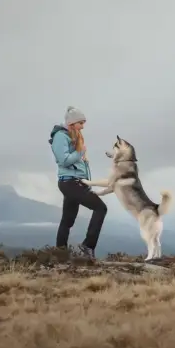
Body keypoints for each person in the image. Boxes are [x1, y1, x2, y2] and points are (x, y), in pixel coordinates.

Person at [48, 106, 107, 259]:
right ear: (71, 123)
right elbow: (64, 161)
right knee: (100, 208)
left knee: (67, 220)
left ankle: (60, 253)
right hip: (70, 183)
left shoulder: (72, 136)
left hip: (74, 182)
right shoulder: (61, 136)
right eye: (81, 123)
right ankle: (88, 245)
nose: (83, 126)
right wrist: (80, 152)